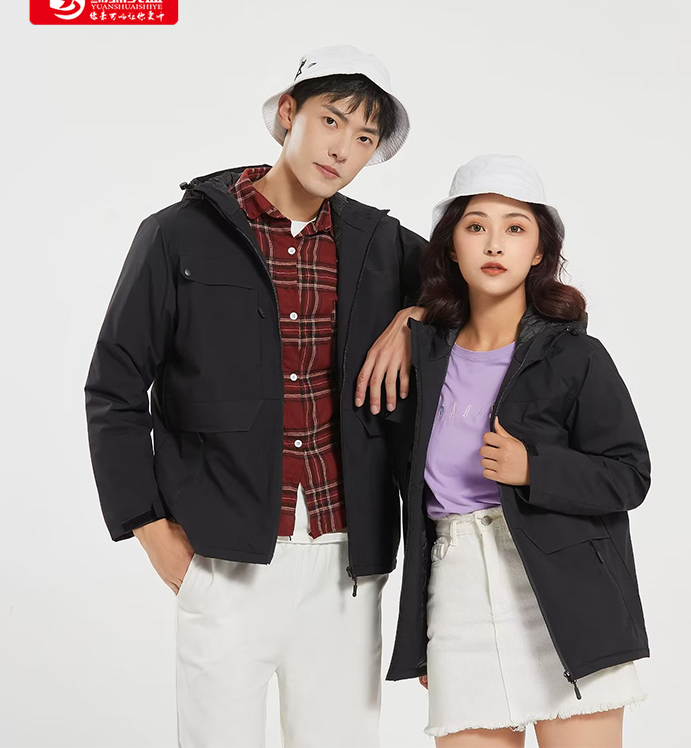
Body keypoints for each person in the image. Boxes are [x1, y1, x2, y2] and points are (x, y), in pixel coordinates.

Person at [84, 45, 428, 747]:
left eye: (365, 138)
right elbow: (113, 387)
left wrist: (413, 316)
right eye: (331, 121)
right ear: (288, 113)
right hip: (223, 559)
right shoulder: (178, 234)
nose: (343, 149)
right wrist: (152, 533)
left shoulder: (383, 246)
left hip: (346, 563)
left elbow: (487, 284)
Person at [385, 154, 651, 747]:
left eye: (515, 228)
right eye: (475, 226)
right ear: (451, 247)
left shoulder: (575, 356)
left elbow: (629, 476)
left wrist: (535, 469)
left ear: (538, 252)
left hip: (566, 592)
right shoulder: (423, 357)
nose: (494, 244)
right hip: (457, 589)